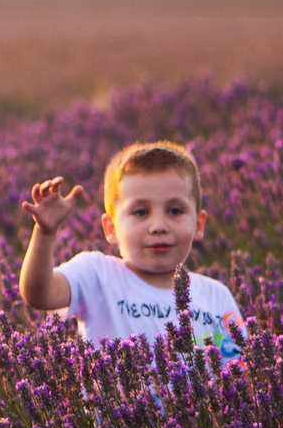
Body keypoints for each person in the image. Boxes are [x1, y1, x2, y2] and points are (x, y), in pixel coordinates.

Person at [19, 139, 245, 362]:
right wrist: (44, 233)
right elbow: (39, 293)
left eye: (175, 211)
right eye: (140, 212)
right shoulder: (97, 276)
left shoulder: (216, 298)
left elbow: (242, 369)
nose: (158, 226)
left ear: (198, 224)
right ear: (111, 228)